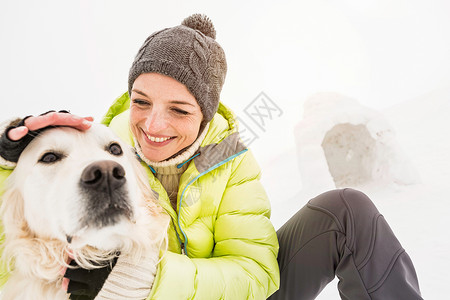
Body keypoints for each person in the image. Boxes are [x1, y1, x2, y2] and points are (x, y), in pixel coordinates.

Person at [0, 14, 422, 300]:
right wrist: (7, 162)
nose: (153, 125)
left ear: (205, 117)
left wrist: (149, 278)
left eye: (179, 110)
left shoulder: (232, 159)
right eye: (142, 101)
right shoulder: (105, 150)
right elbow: (19, 230)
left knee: (346, 209)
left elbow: (257, 274)